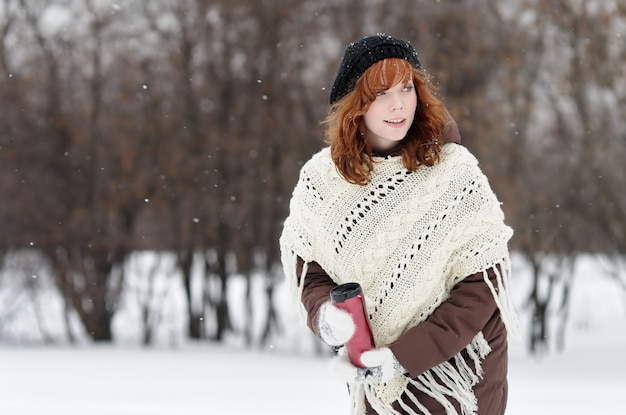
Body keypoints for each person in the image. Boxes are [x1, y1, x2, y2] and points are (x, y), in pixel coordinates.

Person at [279, 34, 518, 415]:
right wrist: (327, 316)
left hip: (458, 375)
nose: (398, 105)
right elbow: (309, 270)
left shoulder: (455, 173)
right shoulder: (322, 180)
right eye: (380, 93)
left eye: (406, 88)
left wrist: (402, 357)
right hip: (372, 376)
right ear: (356, 104)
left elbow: (482, 287)